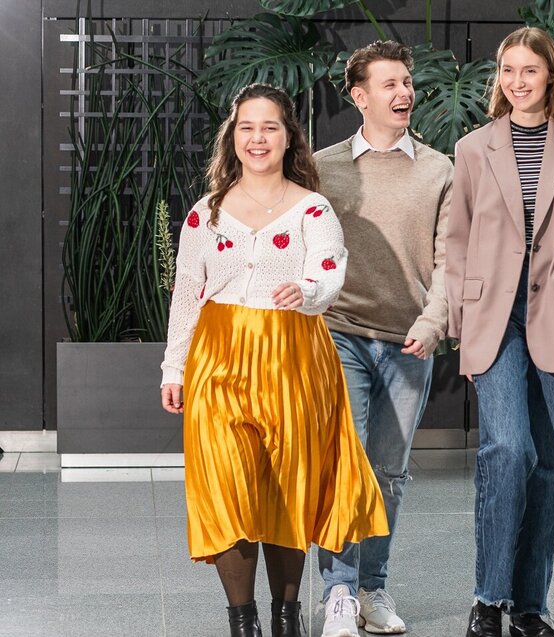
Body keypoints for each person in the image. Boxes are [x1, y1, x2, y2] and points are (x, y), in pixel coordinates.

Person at [159, 83, 387, 637]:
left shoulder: (312, 208)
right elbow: (187, 293)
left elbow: (330, 270)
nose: (257, 138)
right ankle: (244, 622)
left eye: (270, 128)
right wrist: (174, 367)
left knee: (289, 483)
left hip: (293, 357)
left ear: (289, 138)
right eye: (246, 127)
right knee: (228, 484)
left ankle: (287, 618)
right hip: (220, 359)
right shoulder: (204, 215)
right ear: (231, 137)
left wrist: (307, 291)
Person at [444, 26, 554, 637]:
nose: (517, 82)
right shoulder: (473, 150)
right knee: (507, 449)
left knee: (550, 464)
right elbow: (456, 241)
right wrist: (456, 318)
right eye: (508, 71)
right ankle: (488, 598)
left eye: (529, 70)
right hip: (493, 317)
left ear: (551, 76)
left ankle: (528, 607)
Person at [312, 41, 453, 637]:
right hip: (338, 333)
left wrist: (432, 321)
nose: (404, 94)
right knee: (346, 463)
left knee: (389, 472)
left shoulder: (439, 169)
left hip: (409, 340)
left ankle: (373, 588)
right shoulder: (322, 167)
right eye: (389, 84)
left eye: (407, 82)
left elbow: (453, 259)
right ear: (359, 95)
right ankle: (339, 592)